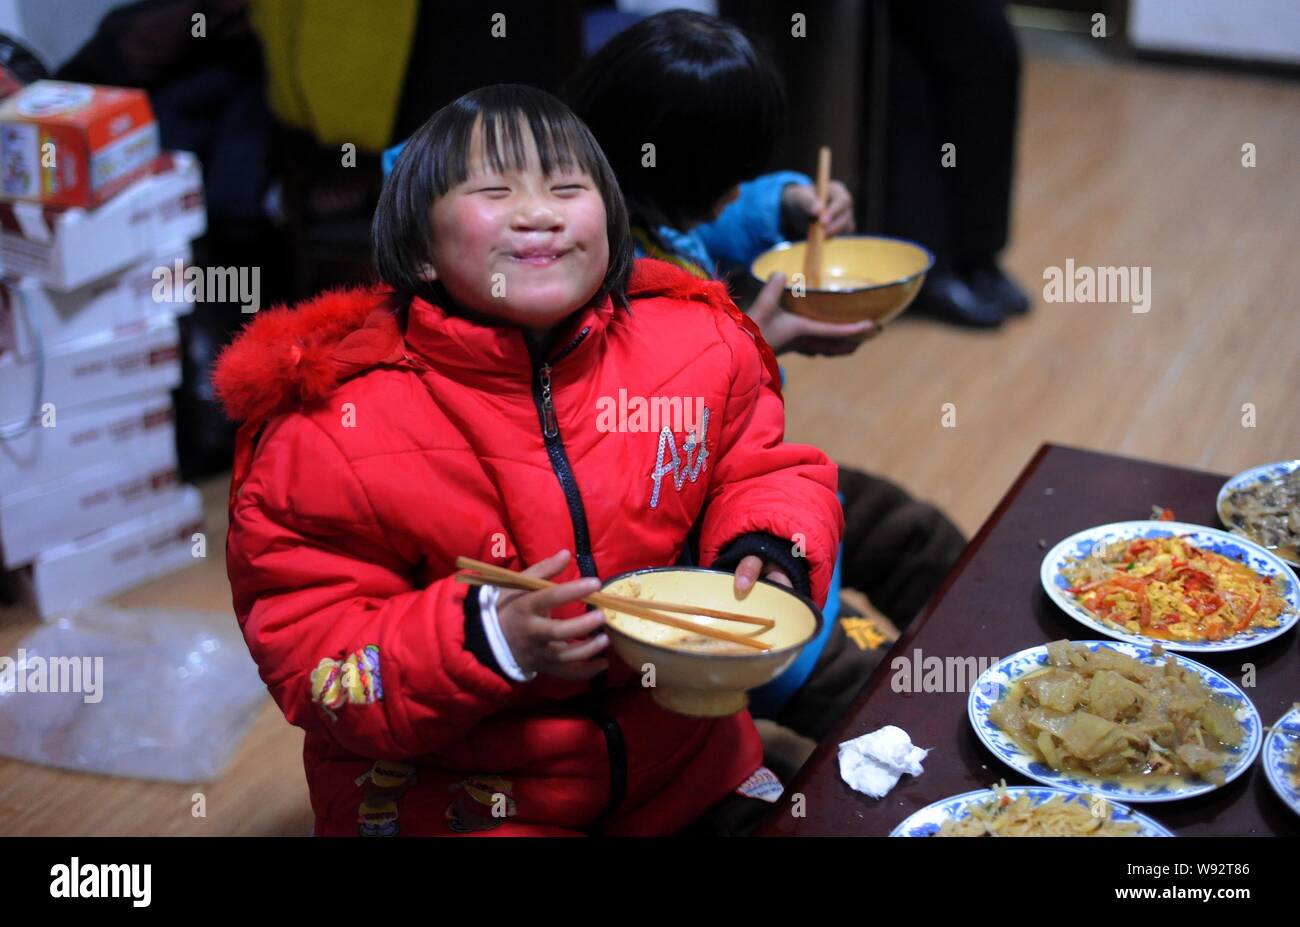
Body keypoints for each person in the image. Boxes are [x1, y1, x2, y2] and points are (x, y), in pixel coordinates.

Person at [213, 83, 842, 836]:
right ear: (417, 248)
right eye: (493, 190)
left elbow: (762, 466)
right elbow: (317, 660)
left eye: (568, 187)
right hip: (461, 791)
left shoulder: (696, 340)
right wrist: (484, 637)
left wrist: (767, 547)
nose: (539, 210)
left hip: (683, 763)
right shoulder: (326, 426)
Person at [563, 11, 967, 770]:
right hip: (693, 552)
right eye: (733, 178)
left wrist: (784, 206)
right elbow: (650, 438)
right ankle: (937, 746)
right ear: (676, 176)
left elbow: (710, 228)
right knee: (865, 686)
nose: (738, 191)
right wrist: (756, 339)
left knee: (915, 532)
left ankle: (992, 655)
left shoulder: (643, 208)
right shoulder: (582, 280)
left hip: (749, 487)